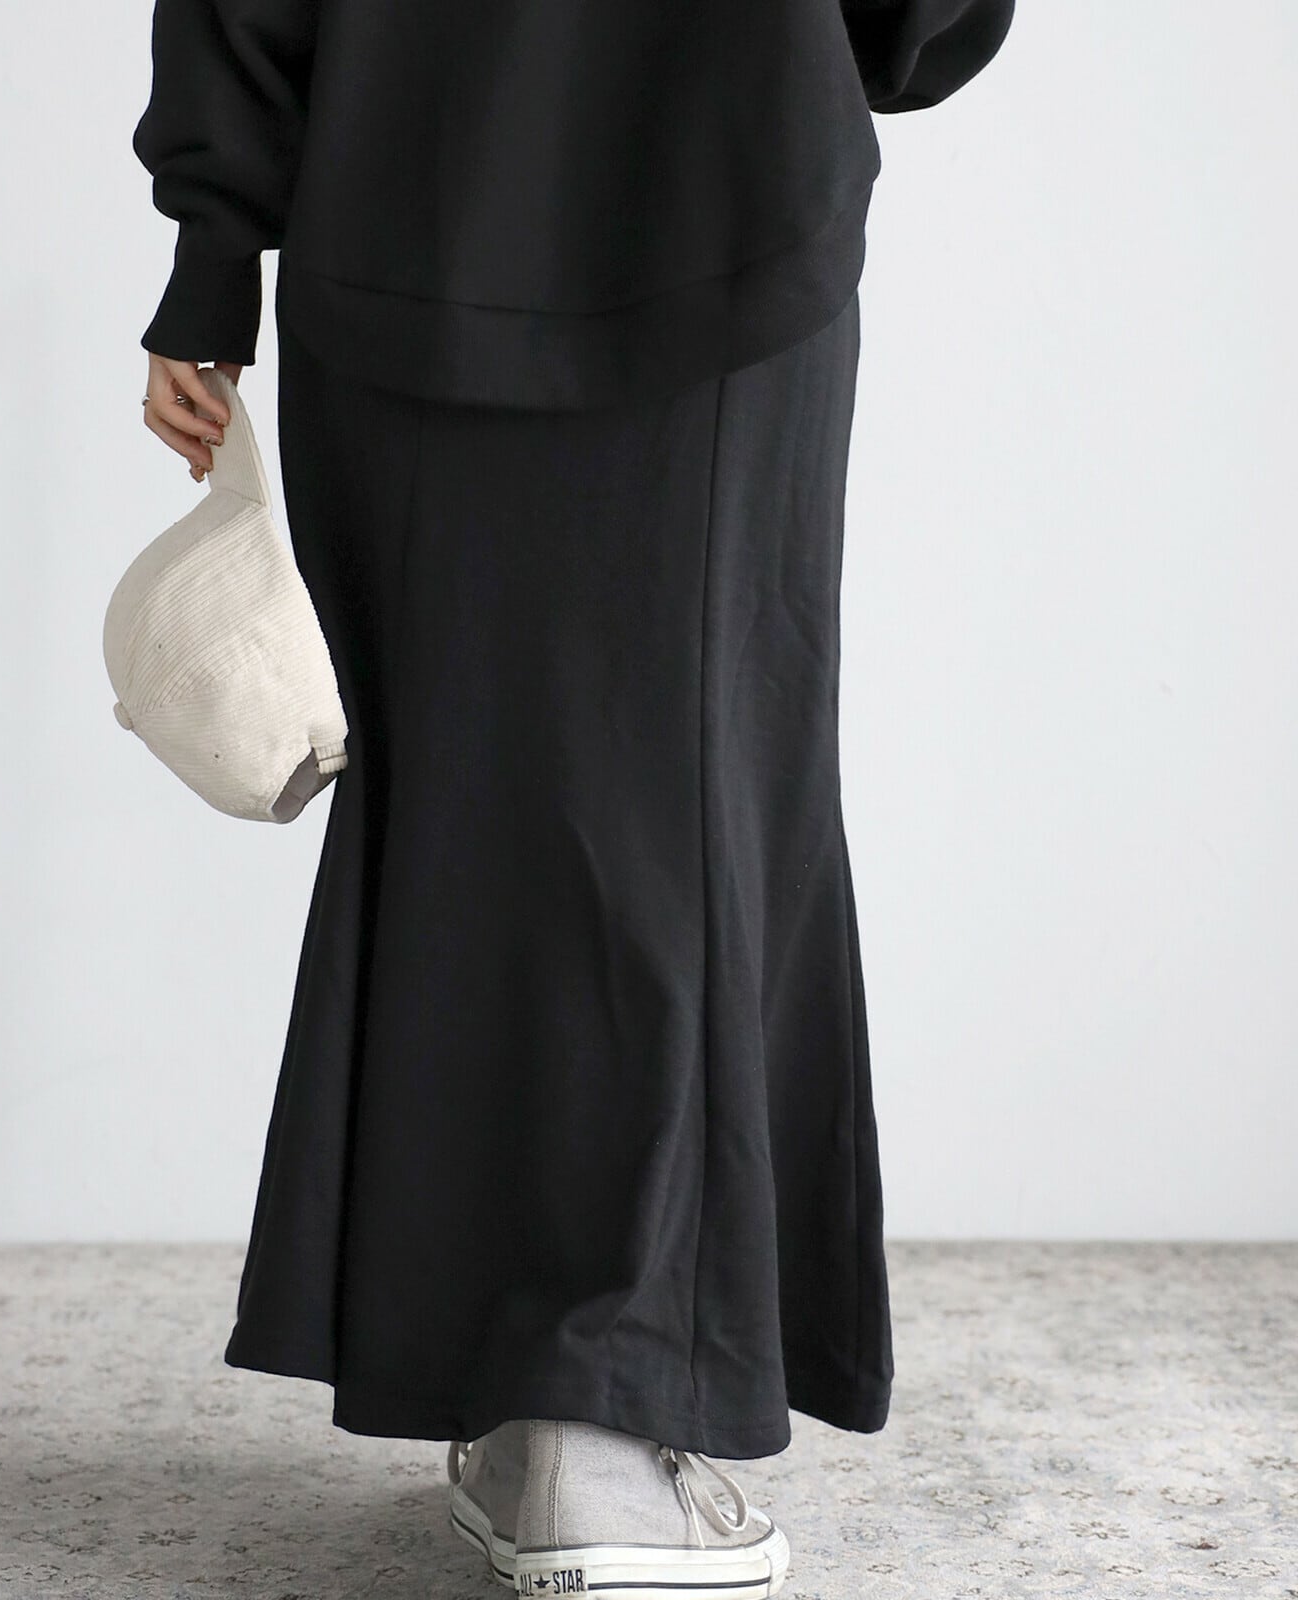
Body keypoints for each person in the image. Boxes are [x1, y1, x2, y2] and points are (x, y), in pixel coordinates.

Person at [133, 2, 1015, 1593]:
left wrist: (213, 258)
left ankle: (530, 1402)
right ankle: (601, 1424)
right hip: (725, 225)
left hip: (402, 227)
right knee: (690, 812)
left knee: (460, 822)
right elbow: (913, 30)